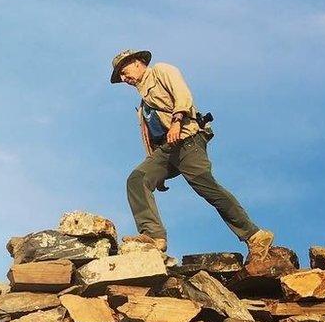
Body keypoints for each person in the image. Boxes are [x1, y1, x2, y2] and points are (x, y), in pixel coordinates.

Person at [110, 49, 273, 262]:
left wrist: (177, 120)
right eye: (121, 76)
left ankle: (255, 236)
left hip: (188, 140)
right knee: (138, 179)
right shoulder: (143, 104)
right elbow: (152, 135)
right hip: (166, 150)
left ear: (137, 62)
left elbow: (182, 94)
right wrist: (156, 172)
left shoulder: (161, 71)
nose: (124, 78)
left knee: (206, 187)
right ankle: (153, 236)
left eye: (124, 71)